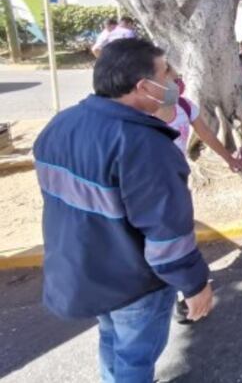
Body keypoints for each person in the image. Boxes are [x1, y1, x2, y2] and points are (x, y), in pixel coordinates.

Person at [33, 38, 213, 381]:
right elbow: (167, 235)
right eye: (167, 72)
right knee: (135, 360)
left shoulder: (60, 125)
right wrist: (195, 285)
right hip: (133, 282)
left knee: (112, 342)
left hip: (88, 271)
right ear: (144, 86)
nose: (174, 80)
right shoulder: (144, 145)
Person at [155, 66, 242, 171]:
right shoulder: (139, 117)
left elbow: (206, 134)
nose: (180, 85)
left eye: (179, 78)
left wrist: (230, 159)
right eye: (175, 81)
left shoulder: (185, 106)